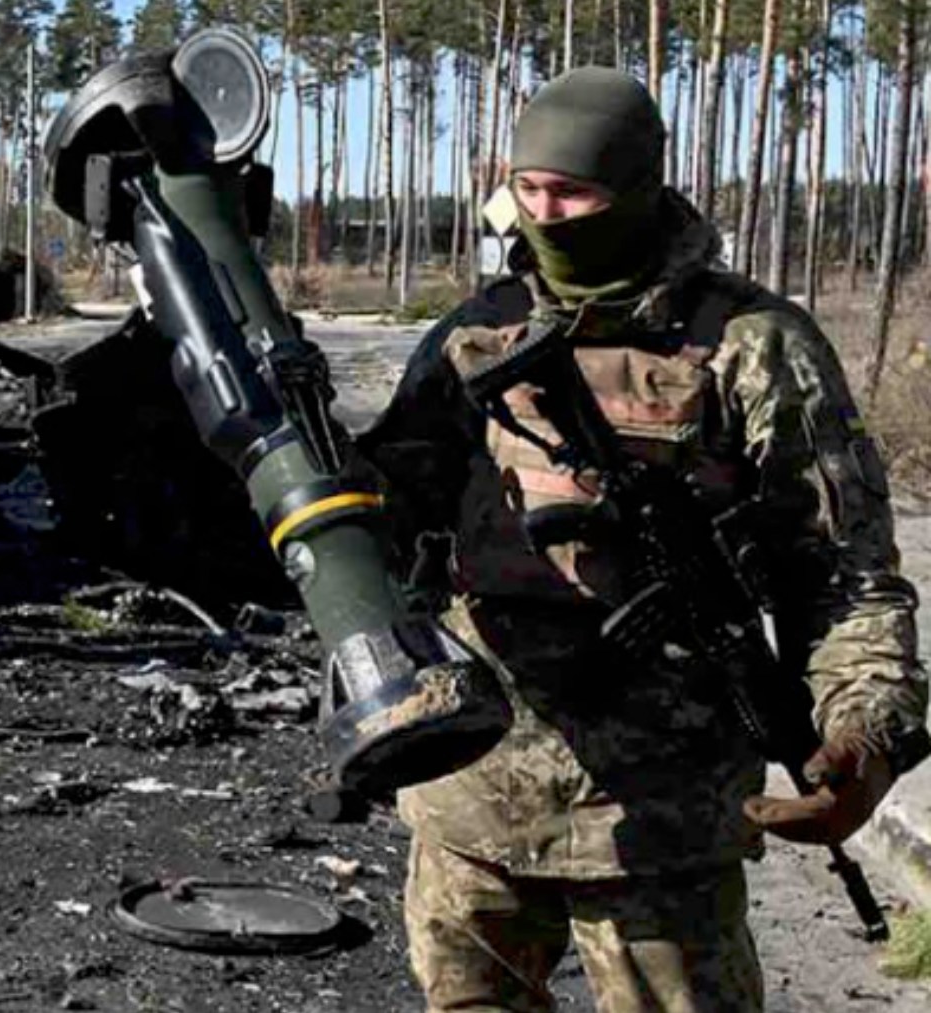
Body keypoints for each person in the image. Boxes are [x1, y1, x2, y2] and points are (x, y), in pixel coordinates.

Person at [356, 67, 928, 1013]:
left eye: (574, 193)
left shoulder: (754, 344)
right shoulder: (473, 339)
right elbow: (380, 520)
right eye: (527, 189)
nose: (546, 213)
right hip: (472, 798)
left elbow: (846, 575)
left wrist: (862, 731)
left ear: (641, 187)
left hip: (666, 817)